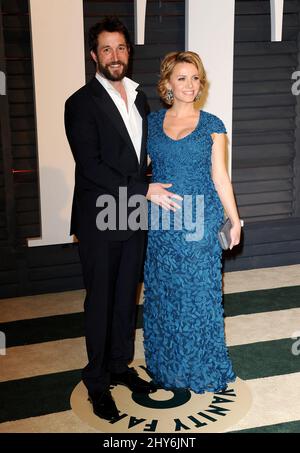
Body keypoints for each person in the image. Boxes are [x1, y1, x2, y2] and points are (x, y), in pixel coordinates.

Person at [64, 17, 180, 421]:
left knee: (126, 297)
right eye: (107, 49)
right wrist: (144, 189)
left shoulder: (140, 96)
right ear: (94, 55)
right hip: (99, 214)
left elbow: (139, 157)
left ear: (129, 53)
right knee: (100, 301)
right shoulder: (80, 103)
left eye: (121, 48)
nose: (115, 56)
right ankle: (96, 382)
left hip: (132, 212)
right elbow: (91, 166)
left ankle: (118, 365)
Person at [143, 51, 241, 394]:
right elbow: (136, 169)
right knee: (165, 295)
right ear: (168, 83)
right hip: (162, 226)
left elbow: (221, 177)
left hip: (200, 222)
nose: (189, 85)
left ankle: (202, 367)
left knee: (199, 296)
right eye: (181, 78)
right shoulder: (151, 124)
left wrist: (235, 218)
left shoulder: (213, 125)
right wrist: (144, 189)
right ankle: (167, 367)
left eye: (195, 78)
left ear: (201, 84)